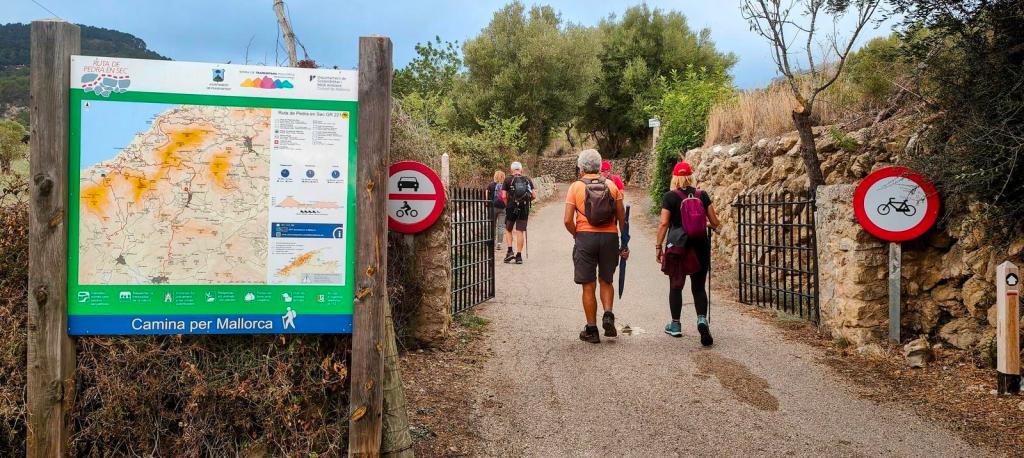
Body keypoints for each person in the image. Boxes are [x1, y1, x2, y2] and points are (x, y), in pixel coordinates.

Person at [564, 149, 628, 343]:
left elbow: (567, 220)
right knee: (606, 281)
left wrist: (577, 235)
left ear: (581, 168)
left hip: (585, 237)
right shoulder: (611, 185)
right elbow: (622, 217)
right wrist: (623, 242)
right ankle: (608, 314)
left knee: (588, 285)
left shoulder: (575, 187)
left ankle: (592, 330)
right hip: (609, 238)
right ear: (599, 167)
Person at [655, 161, 720, 346]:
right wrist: (703, 224)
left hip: (678, 247)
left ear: (675, 178)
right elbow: (715, 222)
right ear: (691, 176)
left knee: (676, 285)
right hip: (700, 246)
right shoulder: (702, 195)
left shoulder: (670, 196)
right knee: (698, 287)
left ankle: (675, 325)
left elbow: (664, 223)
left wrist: (658, 246)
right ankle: (701, 320)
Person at [502, 162, 536, 264]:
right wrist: (526, 202)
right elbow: (534, 195)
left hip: (511, 207)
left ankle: (510, 251)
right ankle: (519, 256)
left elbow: (503, 196)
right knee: (520, 231)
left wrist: (507, 205)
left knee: (508, 229)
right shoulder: (527, 179)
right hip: (524, 208)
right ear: (521, 170)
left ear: (511, 170)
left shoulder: (507, 179)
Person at [486, 170, 507, 251]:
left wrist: (487, 205)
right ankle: (499, 244)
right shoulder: (505, 186)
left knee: (492, 225)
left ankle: (492, 242)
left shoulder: (490, 185)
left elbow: (486, 196)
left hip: (492, 207)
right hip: (502, 208)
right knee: (501, 226)